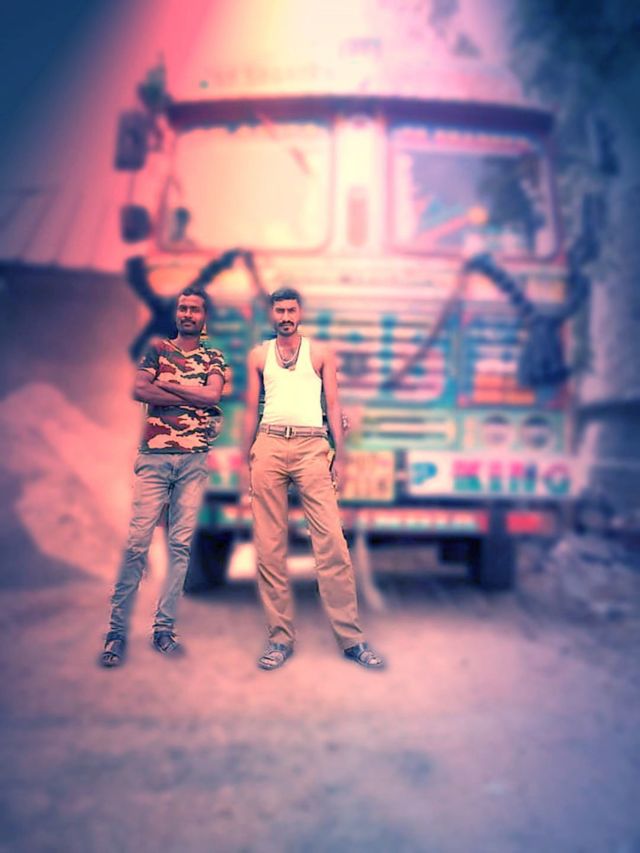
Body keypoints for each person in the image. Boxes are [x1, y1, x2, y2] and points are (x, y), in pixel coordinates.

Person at [241, 287, 384, 671]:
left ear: (300, 313)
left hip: (311, 447)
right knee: (269, 547)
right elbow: (251, 408)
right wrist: (245, 458)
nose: (286, 316)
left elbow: (333, 404)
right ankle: (279, 639)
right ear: (272, 314)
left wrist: (340, 456)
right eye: (280, 310)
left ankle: (352, 639)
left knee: (332, 543)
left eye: (291, 310)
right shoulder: (259, 355)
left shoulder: (320, 353)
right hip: (269, 444)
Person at [100, 287, 226, 667]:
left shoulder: (213, 357)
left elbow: (212, 397)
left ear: (204, 317)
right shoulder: (156, 349)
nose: (187, 314)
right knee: (137, 544)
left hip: (193, 461)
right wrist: (190, 392)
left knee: (180, 547)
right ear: (177, 313)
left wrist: (165, 386)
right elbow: (139, 388)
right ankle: (116, 633)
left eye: (194, 309)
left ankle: (164, 630)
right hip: (154, 459)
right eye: (183, 308)